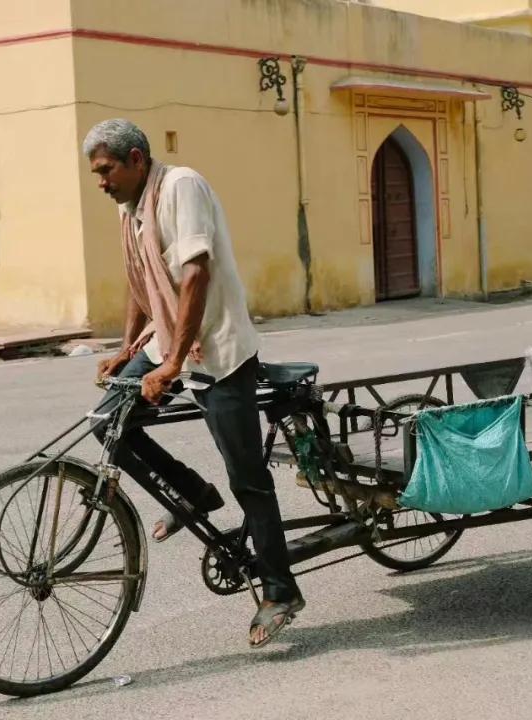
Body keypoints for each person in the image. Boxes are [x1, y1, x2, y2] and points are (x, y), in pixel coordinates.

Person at [82, 119, 304, 648]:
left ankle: (280, 589)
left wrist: (174, 363)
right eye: (95, 173)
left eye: (106, 170)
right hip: (170, 343)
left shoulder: (181, 186)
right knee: (107, 421)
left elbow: (195, 274)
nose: (101, 181)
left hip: (221, 347)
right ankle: (193, 495)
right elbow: (142, 281)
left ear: (136, 159)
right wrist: (126, 348)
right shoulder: (129, 206)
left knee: (248, 477)